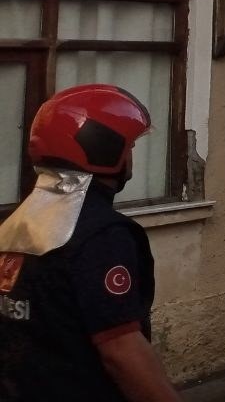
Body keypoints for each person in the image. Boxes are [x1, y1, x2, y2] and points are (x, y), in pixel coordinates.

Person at [0, 85, 181, 402]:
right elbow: (121, 351)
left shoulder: (16, 223)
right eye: (131, 147)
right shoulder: (103, 235)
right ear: (103, 146)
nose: (132, 158)